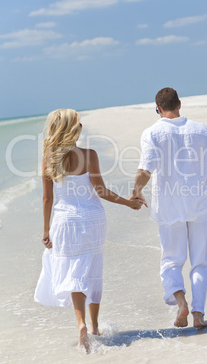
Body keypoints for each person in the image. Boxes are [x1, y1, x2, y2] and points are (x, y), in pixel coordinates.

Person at [34, 109, 144, 352]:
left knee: (74, 272)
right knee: (92, 268)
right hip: (92, 219)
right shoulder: (89, 155)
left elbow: (46, 199)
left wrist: (45, 229)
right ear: (74, 129)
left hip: (64, 221)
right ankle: (94, 327)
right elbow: (101, 191)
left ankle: (81, 323)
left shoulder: (48, 158)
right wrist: (128, 202)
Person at [130, 87, 207, 329]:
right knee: (201, 261)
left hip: (169, 206)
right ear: (179, 104)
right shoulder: (201, 130)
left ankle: (180, 299)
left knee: (172, 260)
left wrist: (136, 191)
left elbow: (145, 171)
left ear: (158, 109)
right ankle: (198, 313)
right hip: (199, 204)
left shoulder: (152, 133)